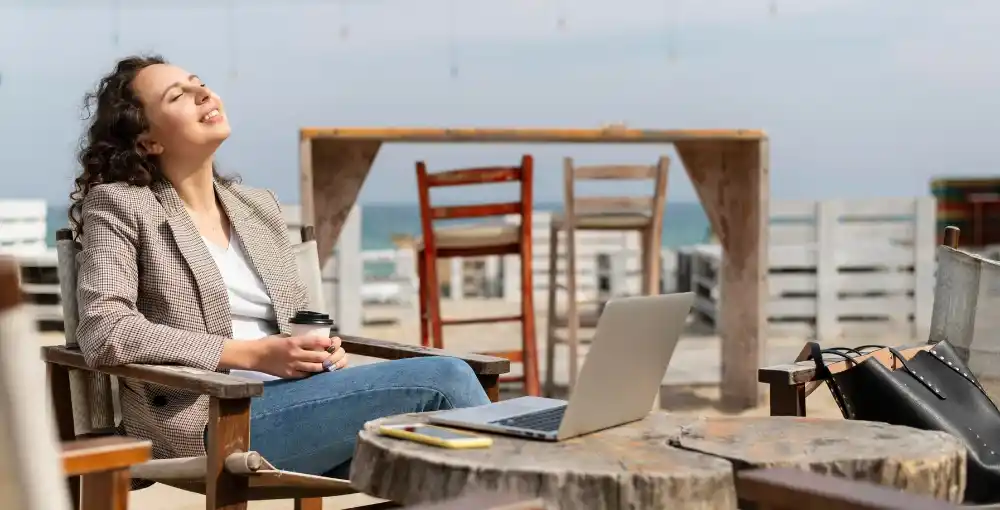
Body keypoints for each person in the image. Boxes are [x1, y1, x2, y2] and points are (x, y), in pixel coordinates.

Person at [70, 55, 491, 478]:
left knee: (444, 451)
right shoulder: (121, 205)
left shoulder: (258, 207)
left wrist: (322, 351)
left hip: (301, 401)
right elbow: (105, 330)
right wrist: (253, 354)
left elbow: (297, 320)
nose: (202, 94)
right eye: (178, 95)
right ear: (148, 141)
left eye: (199, 83)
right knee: (447, 379)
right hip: (212, 418)